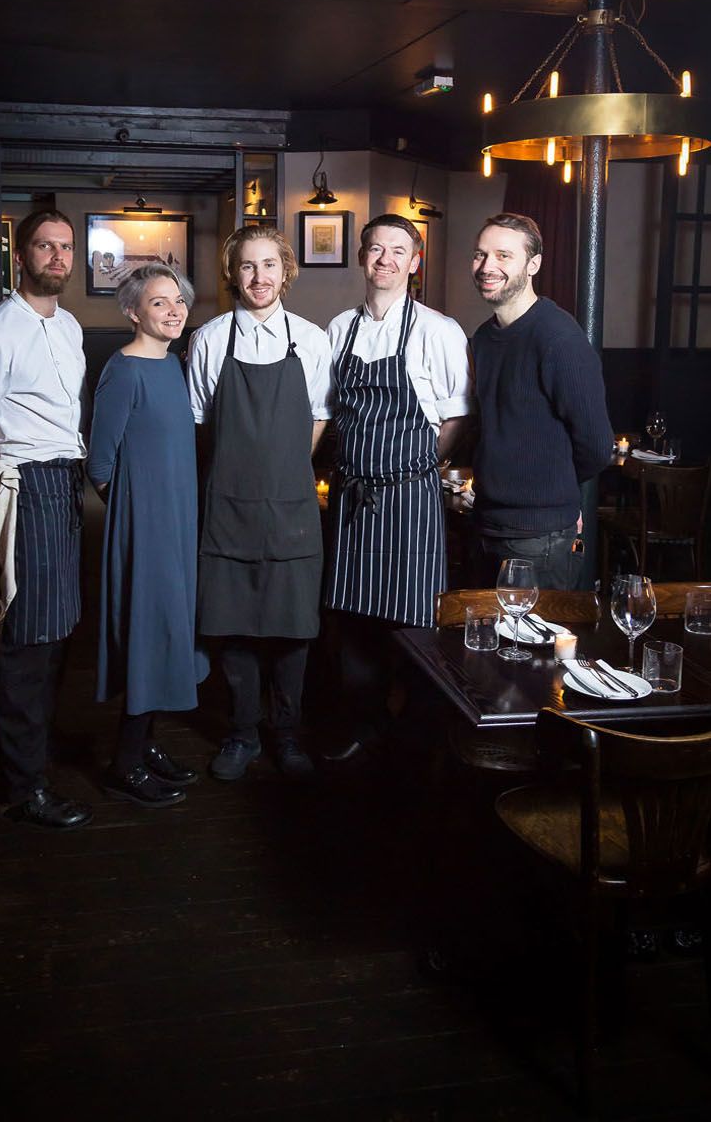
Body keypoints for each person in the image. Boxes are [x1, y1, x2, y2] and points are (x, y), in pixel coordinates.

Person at [0, 210, 92, 830]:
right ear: (20, 255)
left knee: (56, 632)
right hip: (25, 484)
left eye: (65, 247)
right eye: (44, 246)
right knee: (29, 638)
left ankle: (29, 762)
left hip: (65, 481)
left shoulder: (71, 327)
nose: (56, 257)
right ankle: (21, 786)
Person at [324, 215, 474, 760]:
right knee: (353, 619)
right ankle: (362, 727)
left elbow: (457, 418)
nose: (385, 259)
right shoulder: (339, 329)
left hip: (410, 496)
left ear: (415, 263)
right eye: (375, 249)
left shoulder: (439, 330)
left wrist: (410, 468)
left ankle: (416, 735)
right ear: (361, 257)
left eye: (398, 251)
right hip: (351, 497)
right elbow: (332, 413)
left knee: (413, 622)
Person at [187, 228, 333, 781]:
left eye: (269, 265)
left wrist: (289, 466)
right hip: (227, 507)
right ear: (233, 274)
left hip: (293, 507)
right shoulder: (209, 340)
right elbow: (200, 421)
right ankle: (241, 733)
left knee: (293, 628)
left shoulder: (312, 340)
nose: (258, 278)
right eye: (247, 267)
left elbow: (320, 416)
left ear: (286, 270)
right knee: (234, 625)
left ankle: (288, 734)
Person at [88, 264, 207, 808]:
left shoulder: (175, 366)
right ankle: (125, 762)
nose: (173, 310)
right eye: (159, 303)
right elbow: (100, 463)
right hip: (147, 526)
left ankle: (147, 746)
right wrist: (139, 519)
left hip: (179, 519)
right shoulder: (125, 369)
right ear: (133, 311)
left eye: (178, 301)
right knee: (145, 632)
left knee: (167, 631)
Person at [470, 212, 614, 589]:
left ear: (533, 264)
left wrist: (555, 495)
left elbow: (598, 447)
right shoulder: (483, 339)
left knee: (532, 647)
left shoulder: (558, 339)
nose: (488, 266)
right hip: (485, 523)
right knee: (481, 646)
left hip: (540, 537)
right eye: (480, 255)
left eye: (503, 256)